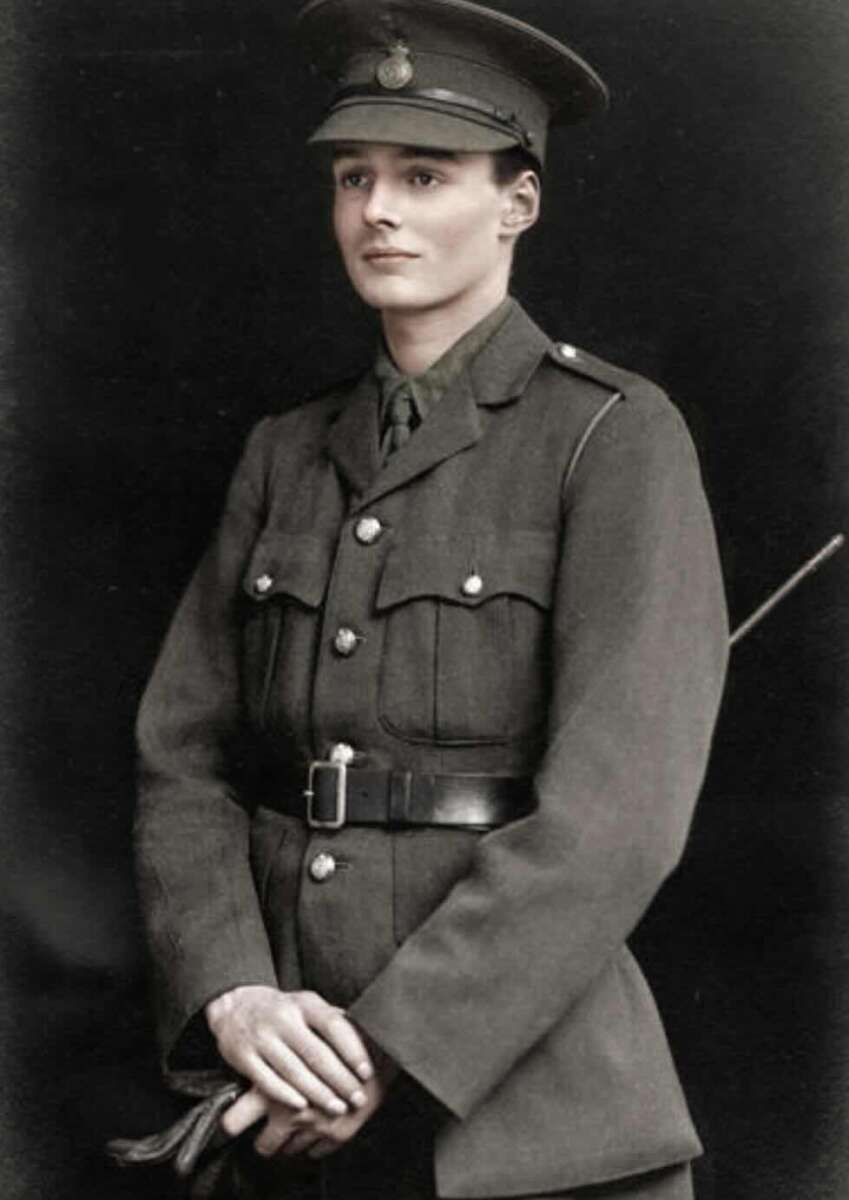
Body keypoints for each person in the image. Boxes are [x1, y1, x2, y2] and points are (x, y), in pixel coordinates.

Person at [132, 0, 728, 1197]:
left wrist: (395, 1048)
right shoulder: (283, 454)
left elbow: (617, 820)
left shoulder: (611, 438)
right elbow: (180, 762)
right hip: (284, 1098)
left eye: (423, 174)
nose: (377, 212)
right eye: (353, 178)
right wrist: (235, 994)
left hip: (533, 1123)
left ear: (519, 202)